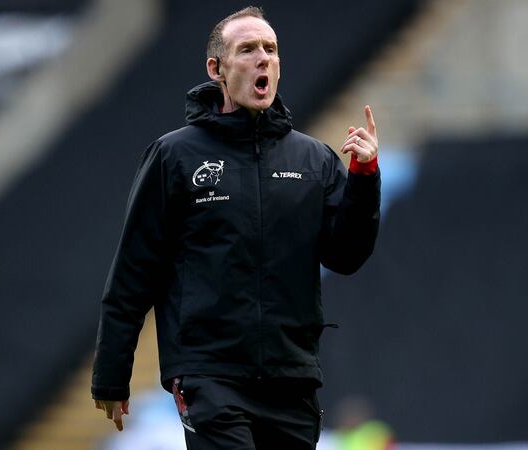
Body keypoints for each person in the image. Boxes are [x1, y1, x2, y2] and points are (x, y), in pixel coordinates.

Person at [91, 6, 381, 450]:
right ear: (217, 69)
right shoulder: (175, 156)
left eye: (271, 49)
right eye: (247, 49)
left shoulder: (314, 160)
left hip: (292, 378)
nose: (263, 58)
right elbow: (134, 270)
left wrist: (363, 177)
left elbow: (346, 255)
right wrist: (112, 375)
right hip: (210, 375)